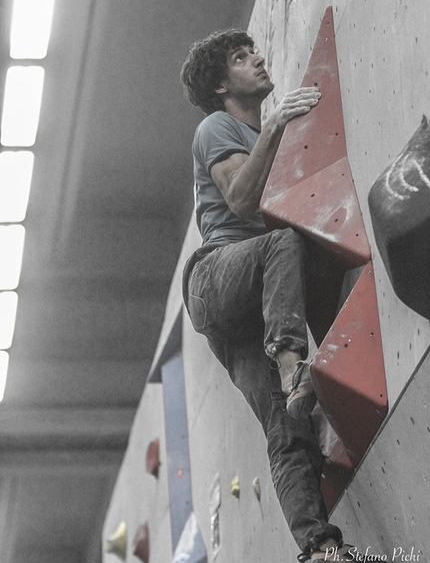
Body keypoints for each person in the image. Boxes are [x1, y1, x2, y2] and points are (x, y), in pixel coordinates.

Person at [180, 29, 355, 562]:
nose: (257, 58)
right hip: (215, 280)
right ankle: (289, 360)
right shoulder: (217, 127)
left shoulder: (258, 136)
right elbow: (239, 200)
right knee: (281, 242)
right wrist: (276, 124)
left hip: (243, 311)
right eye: (240, 57)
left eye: (253, 50)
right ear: (219, 86)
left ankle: (319, 549)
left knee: (287, 430)